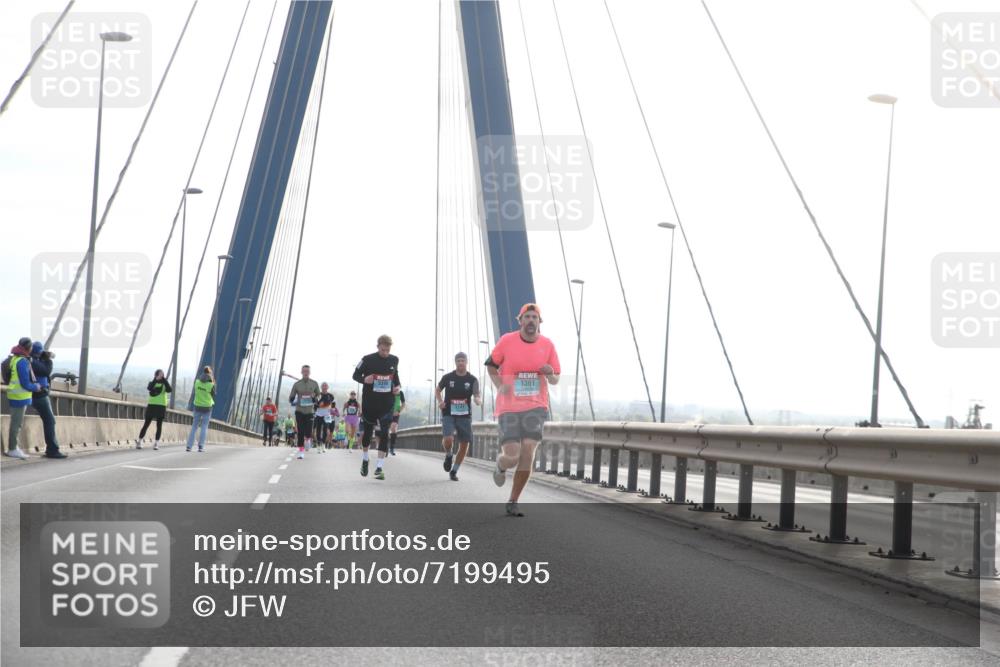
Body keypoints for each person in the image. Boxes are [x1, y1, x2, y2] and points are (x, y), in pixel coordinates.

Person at [486, 304, 560, 516]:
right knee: (512, 456)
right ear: (520, 321)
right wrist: (501, 385)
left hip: (536, 406)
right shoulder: (507, 341)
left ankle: (513, 500)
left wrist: (550, 372)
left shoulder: (548, 345)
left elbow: (555, 379)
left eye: (534, 317)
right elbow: (491, 365)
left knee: (528, 450)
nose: (530, 321)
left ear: (539, 322)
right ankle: (501, 465)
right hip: (508, 406)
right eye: (526, 317)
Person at [351, 334, 401, 480]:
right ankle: (365, 459)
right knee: (367, 433)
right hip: (370, 403)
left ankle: (379, 467)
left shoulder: (394, 360)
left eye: (388, 350)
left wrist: (397, 387)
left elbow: (396, 377)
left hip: (386, 403)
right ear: (378, 346)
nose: (385, 353)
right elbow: (355, 375)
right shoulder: (367, 359)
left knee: (384, 433)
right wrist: (363, 379)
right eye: (383, 349)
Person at [437, 352, 481, 481]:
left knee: (464, 444)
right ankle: (449, 454)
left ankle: (454, 471)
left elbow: (477, 394)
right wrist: (440, 401)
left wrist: (478, 400)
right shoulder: (447, 377)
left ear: (467, 362)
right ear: (455, 362)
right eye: (458, 361)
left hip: (464, 415)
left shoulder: (472, 379)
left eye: (463, 360)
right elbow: (438, 390)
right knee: (448, 439)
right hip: (448, 413)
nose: (460, 363)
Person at [5, 337, 42, 460]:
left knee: (16, 423)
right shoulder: (23, 362)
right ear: (29, 348)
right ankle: (12, 449)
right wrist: (36, 387)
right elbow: (25, 383)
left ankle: (14, 448)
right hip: (20, 397)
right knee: (17, 424)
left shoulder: (14, 359)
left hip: (13, 394)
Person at [29, 341, 67, 458]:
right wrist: (48, 359)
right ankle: (52, 450)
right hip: (39, 395)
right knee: (50, 421)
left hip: (38, 394)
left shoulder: (34, 361)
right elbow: (46, 371)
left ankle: (51, 449)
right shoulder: (33, 362)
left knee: (49, 421)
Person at [288, 365, 320, 459]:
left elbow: (318, 395)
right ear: (301, 372)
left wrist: (315, 398)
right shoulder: (297, 384)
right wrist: (292, 398)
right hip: (300, 411)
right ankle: (301, 452)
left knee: (308, 431)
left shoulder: (314, 383)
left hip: (310, 411)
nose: (306, 372)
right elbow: (291, 396)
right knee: (300, 432)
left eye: (307, 371)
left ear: (309, 373)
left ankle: (308, 439)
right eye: (304, 371)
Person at [137, 369, 171, 451]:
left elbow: (170, 390)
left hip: (161, 405)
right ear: (156, 375)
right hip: (152, 405)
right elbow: (149, 388)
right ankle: (139, 441)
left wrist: (165, 380)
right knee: (146, 424)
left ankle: (156, 443)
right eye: (160, 374)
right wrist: (155, 380)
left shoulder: (164, 383)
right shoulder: (152, 382)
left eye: (162, 374)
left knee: (159, 425)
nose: (162, 376)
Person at [185, 366, 216, 453]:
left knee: (194, 427)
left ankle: (189, 446)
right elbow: (213, 395)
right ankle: (201, 446)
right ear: (210, 374)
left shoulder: (197, 382)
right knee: (204, 427)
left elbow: (195, 392)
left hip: (197, 406)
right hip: (207, 407)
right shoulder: (211, 385)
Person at [314, 383, 336, 452]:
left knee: (325, 430)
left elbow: (331, 404)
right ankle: (318, 445)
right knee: (318, 430)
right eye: (323, 386)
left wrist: (323, 404)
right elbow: (316, 405)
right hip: (318, 414)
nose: (324, 387)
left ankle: (323, 445)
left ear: (328, 387)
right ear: (321, 387)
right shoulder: (318, 395)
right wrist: (321, 405)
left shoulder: (331, 395)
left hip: (327, 415)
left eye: (326, 385)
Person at [388, 389, 406, 455]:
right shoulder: (388, 391)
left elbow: (403, 404)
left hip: (396, 414)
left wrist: (398, 411)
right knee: (386, 430)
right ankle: (385, 447)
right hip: (388, 413)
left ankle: (391, 448)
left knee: (394, 429)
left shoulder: (401, 393)